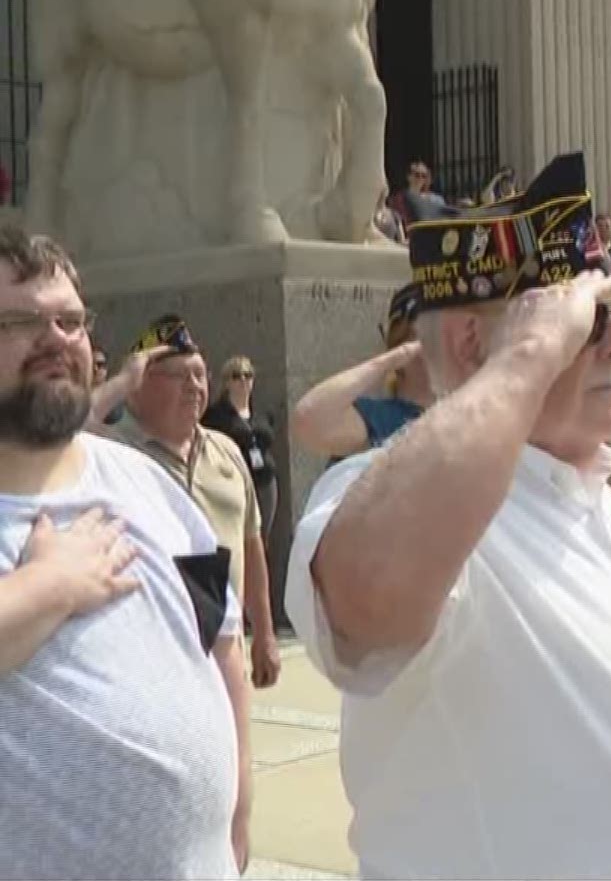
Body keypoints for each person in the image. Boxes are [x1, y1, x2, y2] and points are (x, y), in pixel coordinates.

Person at [284, 153, 611, 880]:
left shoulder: (599, 504)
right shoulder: (406, 504)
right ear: (472, 344)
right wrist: (527, 358)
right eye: (587, 319)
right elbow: (363, 596)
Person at [0, 227, 253, 880]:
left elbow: (221, 642)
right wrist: (47, 589)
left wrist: (239, 803)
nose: (55, 337)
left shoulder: (148, 485)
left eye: (70, 320)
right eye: (21, 321)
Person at [94, 317, 278, 690]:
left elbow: (251, 542)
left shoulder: (226, 449)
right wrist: (120, 382)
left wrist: (264, 632)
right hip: (150, 654)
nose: (195, 386)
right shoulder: (110, 451)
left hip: (225, 647)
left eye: (200, 374)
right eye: (179, 376)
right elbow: (57, 436)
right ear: (137, 388)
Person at [290, 285, 433, 459]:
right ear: (401, 341)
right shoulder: (376, 417)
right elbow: (310, 419)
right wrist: (388, 361)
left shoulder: (467, 415)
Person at [202, 356, 279, 537]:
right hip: (234, 480)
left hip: (265, 481)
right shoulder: (215, 415)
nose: (244, 380)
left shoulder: (262, 413)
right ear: (227, 382)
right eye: (237, 376)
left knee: (263, 536)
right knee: (241, 535)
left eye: (248, 375)